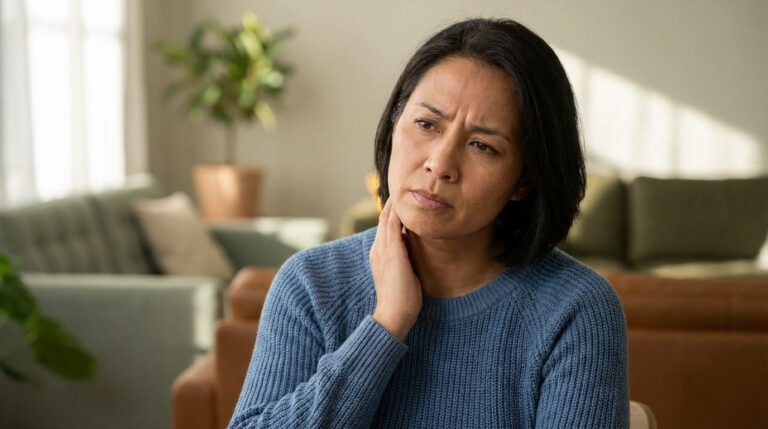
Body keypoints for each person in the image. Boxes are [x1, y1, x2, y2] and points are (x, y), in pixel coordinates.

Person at [228, 18, 629, 429]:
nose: (440, 162)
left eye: (482, 146)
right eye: (427, 124)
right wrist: (387, 324)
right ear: (394, 124)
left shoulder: (576, 310)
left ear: (523, 180)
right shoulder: (311, 283)